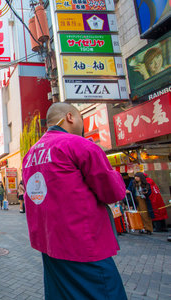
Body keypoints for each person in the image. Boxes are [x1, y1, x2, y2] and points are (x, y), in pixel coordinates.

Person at [21, 103, 127, 300]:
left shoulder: (30, 154)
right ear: (70, 117)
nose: (83, 125)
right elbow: (112, 192)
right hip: (83, 243)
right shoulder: (80, 145)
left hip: (49, 244)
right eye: (81, 119)